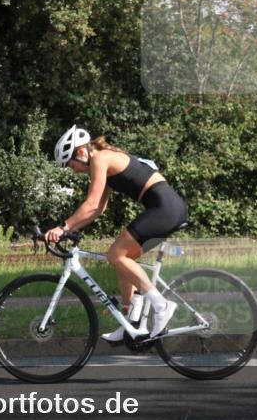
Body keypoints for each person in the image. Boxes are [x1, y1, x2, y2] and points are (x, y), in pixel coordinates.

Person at [47, 125, 189, 342]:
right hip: (167, 207)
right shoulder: (105, 159)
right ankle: (130, 321)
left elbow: (91, 203)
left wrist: (63, 227)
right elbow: (98, 209)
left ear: (81, 153)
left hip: (164, 208)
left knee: (115, 254)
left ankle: (161, 305)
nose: (72, 170)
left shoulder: (100, 158)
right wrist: (71, 228)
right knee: (123, 259)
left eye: (70, 164)